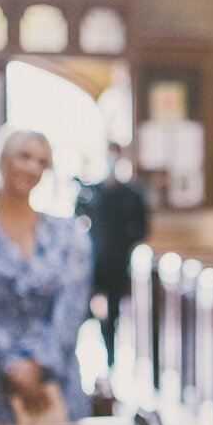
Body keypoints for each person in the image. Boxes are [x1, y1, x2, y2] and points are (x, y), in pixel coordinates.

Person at [0, 128, 91, 425]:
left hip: (51, 382)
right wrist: (11, 364)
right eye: (24, 156)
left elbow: (71, 307)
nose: (32, 167)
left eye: (41, 161)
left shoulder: (68, 234)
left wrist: (39, 363)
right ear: (3, 161)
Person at [75, 141, 150, 363]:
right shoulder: (91, 192)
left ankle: (111, 357)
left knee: (113, 311)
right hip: (94, 262)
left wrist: (124, 243)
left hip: (118, 262)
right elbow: (76, 221)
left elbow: (142, 228)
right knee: (88, 308)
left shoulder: (131, 195)